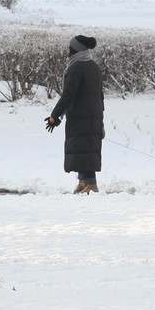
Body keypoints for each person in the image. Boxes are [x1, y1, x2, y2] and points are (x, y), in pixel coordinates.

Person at [45, 35, 104, 194]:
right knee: (84, 146)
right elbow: (100, 95)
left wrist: (55, 115)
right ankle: (83, 181)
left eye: (70, 47)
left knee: (84, 147)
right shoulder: (93, 66)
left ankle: (91, 184)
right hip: (93, 113)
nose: (67, 50)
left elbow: (68, 95)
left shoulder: (76, 67)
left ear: (76, 49)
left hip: (82, 115)